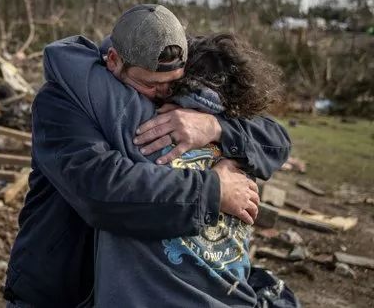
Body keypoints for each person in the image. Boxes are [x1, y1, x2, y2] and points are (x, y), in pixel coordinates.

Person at [5, 4, 291, 308]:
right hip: (60, 288)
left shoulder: (177, 81)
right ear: (114, 61)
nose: (165, 94)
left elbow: (276, 139)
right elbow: (101, 189)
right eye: (151, 84)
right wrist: (215, 189)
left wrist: (215, 126)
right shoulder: (64, 101)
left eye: (174, 83)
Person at [92, 33, 298, 307]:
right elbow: (279, 142)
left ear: (174, 78)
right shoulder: (243, 146)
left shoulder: (132, 131)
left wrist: (216, 127)